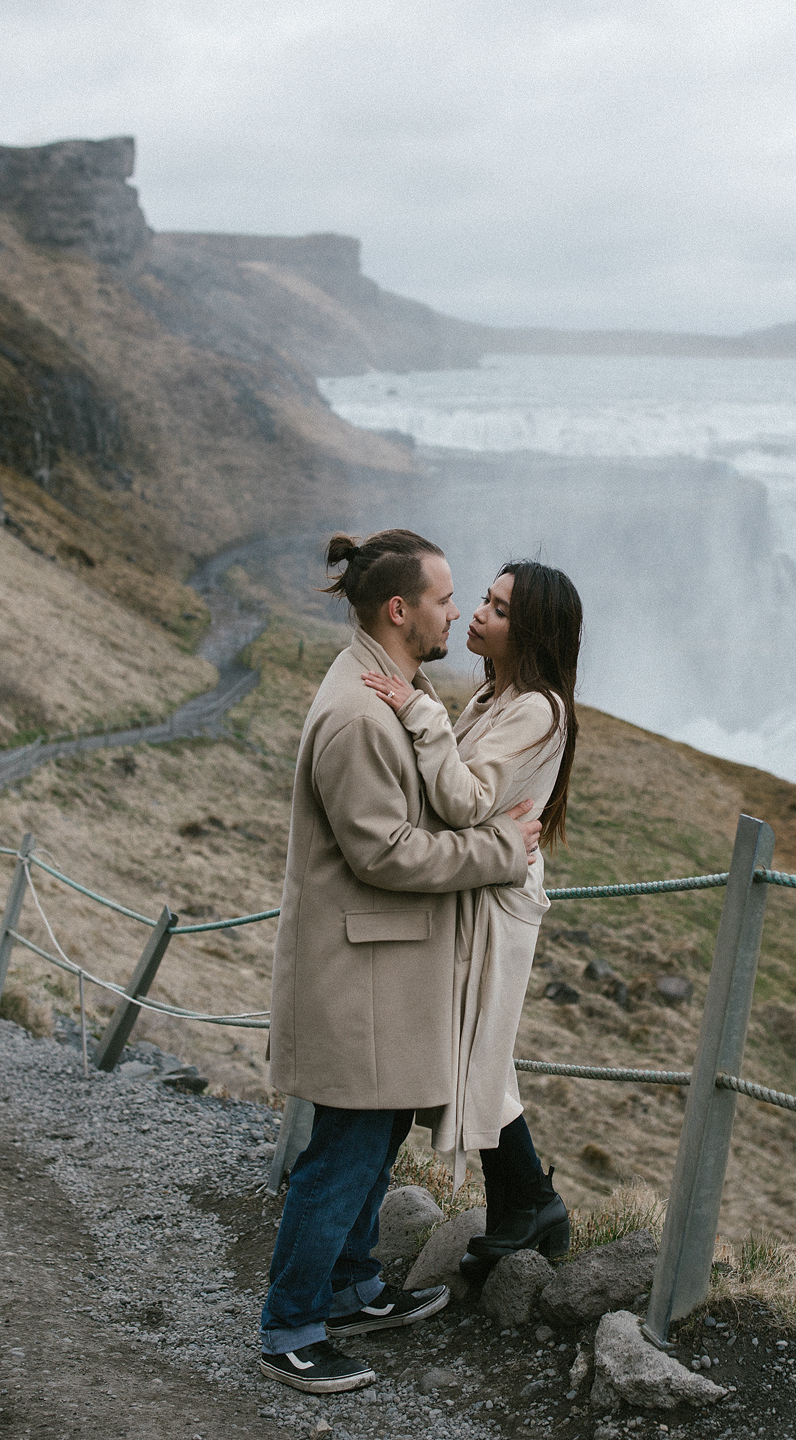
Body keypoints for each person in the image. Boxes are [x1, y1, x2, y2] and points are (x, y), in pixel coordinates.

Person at [258, 529, 544, 1395]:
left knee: (371, 1141)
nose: (456, 612)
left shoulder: (395, 690)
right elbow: (385, 854)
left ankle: (347, 1288)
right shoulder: (356, 714)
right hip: (358, 976)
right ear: (400, 609)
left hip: (382, 969)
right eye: (446, 599)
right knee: (340, 1152)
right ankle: (292, 1327)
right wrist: (502, 852)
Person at [359, 560, 582, 1285]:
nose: (477, 614)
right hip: (482, 881)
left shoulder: (538, 709)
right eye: (482, 599)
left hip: (498, 895)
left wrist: (415, 710)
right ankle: (526, 1206)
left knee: (480, 1044)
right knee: (479, 1046)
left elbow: (463, 799)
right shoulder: (498, 695)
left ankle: (530, 1206)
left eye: (499, 607)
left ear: (533, 629)